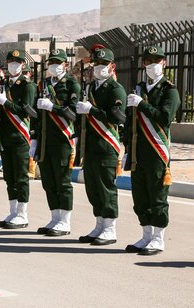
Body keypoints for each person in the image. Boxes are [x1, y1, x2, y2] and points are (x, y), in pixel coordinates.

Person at [125, 46, 180, 255]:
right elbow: (131, 121)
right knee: (140, 196)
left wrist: (142, 105)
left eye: (157, 61)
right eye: (148, 61)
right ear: (143, 64)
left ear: (164, 64)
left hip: (156, 152)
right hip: (138, 153)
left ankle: (158, 238)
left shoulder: (169, 90)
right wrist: (128, 148)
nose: (152, 65)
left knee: (157, 197)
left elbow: (165, 118)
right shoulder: (139, 88)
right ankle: (146, 235)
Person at [76, 47, 127, 245]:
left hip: (106, 145)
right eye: (96, 64)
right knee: (93, 187)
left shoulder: (116, 89)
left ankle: (110, 228)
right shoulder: (91, 88)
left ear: (112, 66)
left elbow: (116, 117)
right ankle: (99, 224)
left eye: (103, 64)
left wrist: (92, 110)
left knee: (106, 188)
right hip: (90, 146)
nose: (99, 68)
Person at [35, 49, 80, 236]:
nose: (54, 66)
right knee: (48, 181)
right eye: (51, 62)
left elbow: (73, 113)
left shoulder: (71, 85)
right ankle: (55, 217)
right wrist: (34, 139)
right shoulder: (43, 84)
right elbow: (38, 116)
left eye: (58, 62)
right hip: (46, 140)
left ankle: (65, 221)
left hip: (63, 139)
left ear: (66, 65)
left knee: (62, 181)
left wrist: (52, 107)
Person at [0, 50, 36, 229]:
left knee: (20, 177)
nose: (13, 65)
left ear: (23, 65)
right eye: (10, 61)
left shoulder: (27, 86)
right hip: (6, 137)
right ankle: (13, 211)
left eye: (17, 62)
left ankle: (22, 214)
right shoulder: (4, 85)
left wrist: (6, 103)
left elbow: (25, 111)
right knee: (9, 177)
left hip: (19, 137)